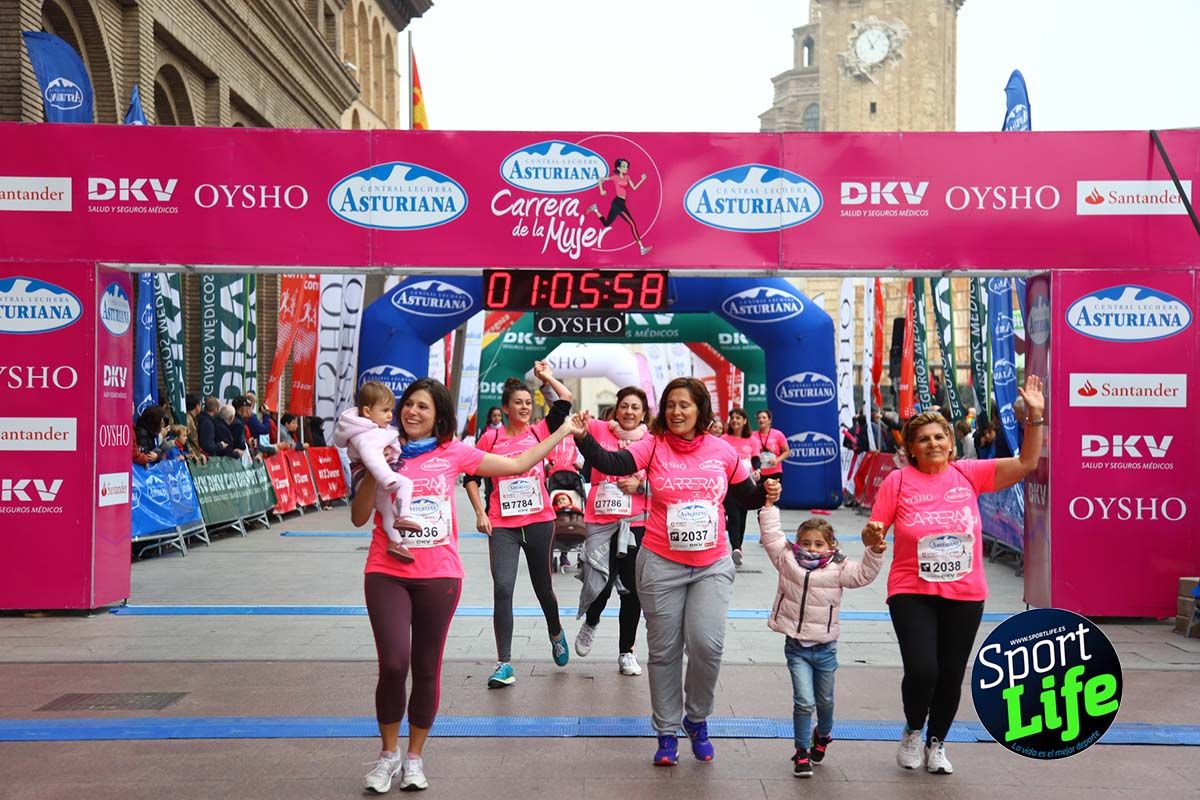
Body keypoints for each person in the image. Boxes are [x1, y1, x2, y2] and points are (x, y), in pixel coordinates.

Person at [352, 378, 584, 793]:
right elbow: (358, 517)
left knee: (426, 667)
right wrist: (375, 467)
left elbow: (516, 465)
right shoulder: (379, 445)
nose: (413, 412)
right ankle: (387, 755)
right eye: (408, 404)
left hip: (439, 575)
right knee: (394, 664)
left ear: (439, 416)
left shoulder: (454, 452)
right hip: (386, 570)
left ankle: (414, 758)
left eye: (423, 407)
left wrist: (564, 430)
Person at [573, 377, 770, 766]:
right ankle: (666, 732)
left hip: (711, 564)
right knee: (664, 651)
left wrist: (767, 492)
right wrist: (583, 438)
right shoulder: (653, 444)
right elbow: (614, 463)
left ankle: (696, 718)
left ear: (700, 409)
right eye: (671, 405)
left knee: (707, 645)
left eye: (685, 405)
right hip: (661, 562)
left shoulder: (723, 450)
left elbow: (746, 496)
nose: (677, 412)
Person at [862, 375, 1044, 776]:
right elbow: (875, 529)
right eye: (923, 439)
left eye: (939, 437)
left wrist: (1035, 418)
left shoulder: (968, 474)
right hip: (911, 589)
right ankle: (913, 729)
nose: (933, 444)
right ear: (911, 448)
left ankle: (937, 742)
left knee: (950, 674)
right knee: (923, 669)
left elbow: (1026, 463)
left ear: (950, 442)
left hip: (965, 592)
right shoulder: (898, 481)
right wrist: (873, 536)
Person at [464, 362, 575, 689]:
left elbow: (565, 400)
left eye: (528, 402)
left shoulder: (539, 431)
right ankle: (504, 663)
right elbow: (471, 478)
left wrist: (545, 378)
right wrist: (480, 513)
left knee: (544, 589)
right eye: (518, 403)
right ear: (505, 408)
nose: (525, 407)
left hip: (539, 522)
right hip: (502, 525)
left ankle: (555, 631)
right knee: (503, 588)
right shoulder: (490, 438)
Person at [758, 499, 885, 777]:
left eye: (818, 544)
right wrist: (768, 506)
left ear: (831, 546)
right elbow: (771, 537)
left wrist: (874, 551)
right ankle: (801, 751)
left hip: (825, 649)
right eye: (806, 543)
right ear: (797, 543)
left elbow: (863, 575)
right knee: (804, 701)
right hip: (796, 647)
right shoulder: (787, 560)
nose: (812, 549)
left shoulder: (839, 567)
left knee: (825, 701)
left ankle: (823, 734)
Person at [572, 386, 651, 677]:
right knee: (600, 584)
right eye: (624, 406)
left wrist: (640, 485)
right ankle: (591, 621)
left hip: (636, 523)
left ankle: (626, 651)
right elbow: (567, 417)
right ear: (616, 409)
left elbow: (663, 480)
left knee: (632, 591)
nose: (629, 412)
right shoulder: (599, 429)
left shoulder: (652, 442)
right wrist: (548, 383)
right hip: (601, 522)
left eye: (635, 407)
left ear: (644, 413)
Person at [335, 381, 424, 563]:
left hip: (372, 478)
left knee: (387, 512)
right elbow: (372, 457)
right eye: (385, 410)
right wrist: (386, 477)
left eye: (391, 410)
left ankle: (396, 542)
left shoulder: (367, 430)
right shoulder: (366, 435)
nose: (390, 415)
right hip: (374, 477)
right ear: (367, 412)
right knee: (406, 484)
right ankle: (404, 514)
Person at [585, 157, 653, 256]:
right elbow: (600, 179)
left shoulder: (627, 177)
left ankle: (595, 209)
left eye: (627, 166)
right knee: (632, 224)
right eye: (624, 166)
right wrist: (601, 190)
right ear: (618, 168)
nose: (626, 168)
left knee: (607, 224)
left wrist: (642, 180)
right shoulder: (615, 177)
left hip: (620, 203)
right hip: (618, 203)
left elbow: (634, 188)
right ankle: (642, 248)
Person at [720, 408, 760, 566]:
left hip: (746, 483)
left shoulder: (752, 440)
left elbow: (755, 458)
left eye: (738, 418)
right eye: (732, 418)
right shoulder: (723, 439)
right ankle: (735, 546)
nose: (735, 420)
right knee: (733, 515)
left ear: (744, 421)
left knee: (742, 517)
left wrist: (757, 469)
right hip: (729, 483)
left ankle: (738, 547)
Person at [755, 409, 791, 484]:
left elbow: (787, 452)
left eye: (764, 417)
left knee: (773, 492)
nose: (761, 420)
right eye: (759, 418)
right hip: (758, 473)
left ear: (770, 420)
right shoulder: (752, 436)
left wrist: (777, 460)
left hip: (775, 472)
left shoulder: (778, 434)